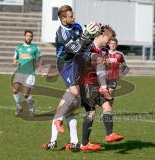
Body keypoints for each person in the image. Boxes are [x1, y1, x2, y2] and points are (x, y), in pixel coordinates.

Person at [43, 5, 105, 151]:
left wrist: (94, 34)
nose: (74, 18)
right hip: (65, 63)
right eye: (71, 16)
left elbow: (85, 45)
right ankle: (58, 120)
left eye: (73, 15)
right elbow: (75, 48)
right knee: (75, 93)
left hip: (77, 60)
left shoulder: (76, 26)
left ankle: (72, 141)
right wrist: (85, 37)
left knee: (74, 103)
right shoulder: (61, 33)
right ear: (63, 19)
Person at [79, 25, 124, 151]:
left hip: (98, 84)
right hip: (86, 84)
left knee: (107, 106)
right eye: (108, 38)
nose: (110, 41)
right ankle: (84, 143)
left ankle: (109, 134)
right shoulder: (88, 47)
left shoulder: (104, 51)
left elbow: (103, 69)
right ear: (102, 35)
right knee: (91, 112)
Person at [12, 30, 41, 117]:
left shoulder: (35, 48)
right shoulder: (19, 47)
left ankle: (32, 109)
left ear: (32, 37)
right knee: (15, 90)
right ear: (24, 36)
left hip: (30, 73)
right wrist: (14, 62)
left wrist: (40, 65)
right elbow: (14, 58)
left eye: (30, 36)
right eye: (27, 36)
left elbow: (39, 58)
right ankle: (19, 107)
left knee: (25, 94)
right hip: (20, 72)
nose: (29, 37)